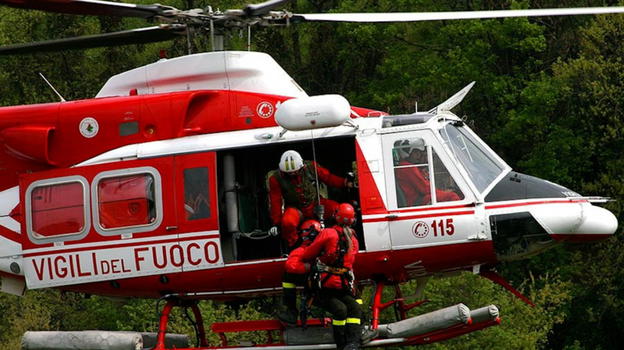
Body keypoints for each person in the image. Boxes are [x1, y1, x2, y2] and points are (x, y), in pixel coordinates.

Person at [298, 203, 367, 350]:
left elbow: (307, 255)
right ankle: (349, 343)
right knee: (348, 308)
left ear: (336, 215)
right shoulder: (353, 239)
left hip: (326, 287)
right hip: (336, 287)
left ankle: (350, 344)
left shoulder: (328, 233)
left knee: (348, 308)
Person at [267, 150, 352, 248]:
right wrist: (277, 223)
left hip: (315, 203)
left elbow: (328, 178)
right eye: (289, 173)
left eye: (295, 171)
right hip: (296, 209)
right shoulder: (275, 179)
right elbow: (275, 201)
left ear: (301, 166)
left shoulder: (311, 167)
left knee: (338, 210)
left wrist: (344, 182)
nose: (292, 174)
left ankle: (342, 240)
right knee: (287, 222)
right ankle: (294, 246)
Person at [277, 219, 322, 325]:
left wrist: (308, 268)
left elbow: (291, 266)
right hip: (329, 285)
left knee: (287, 277)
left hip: (318, 285)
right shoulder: (330, 244)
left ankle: (291, 312)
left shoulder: (302, 250)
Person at [394, 139, 459, 206]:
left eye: (419, 153)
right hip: (416, 201)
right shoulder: (408, 168)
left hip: (417, 199)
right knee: (452, 196)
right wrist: (445, 192)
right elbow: (425, 189)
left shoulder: (404, 166)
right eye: (416, 153)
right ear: (407, 153)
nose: (418, 156)